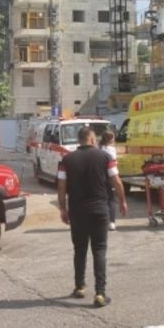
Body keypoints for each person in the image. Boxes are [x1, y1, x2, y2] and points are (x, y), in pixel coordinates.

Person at [57, 124, 127, 307]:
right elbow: (116, 181)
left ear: (79, 140)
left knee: (79, 250)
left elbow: (61, 186)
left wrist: (63, 208)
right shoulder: (105, 157)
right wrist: (122, 201)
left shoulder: (66, 160)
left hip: (77, 211)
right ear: (91, 139)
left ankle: (79, 287)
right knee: (99, 250)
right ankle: (100, 293)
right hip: (99, 210)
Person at [99, 127, 118, 229]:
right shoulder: (111, 149)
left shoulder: (99, 148)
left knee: (102, 199)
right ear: (110, 139)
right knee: (111, 199)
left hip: (99, 176)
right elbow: (113, 163)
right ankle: (111, 221)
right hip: (110, 176)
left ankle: (102, 220)